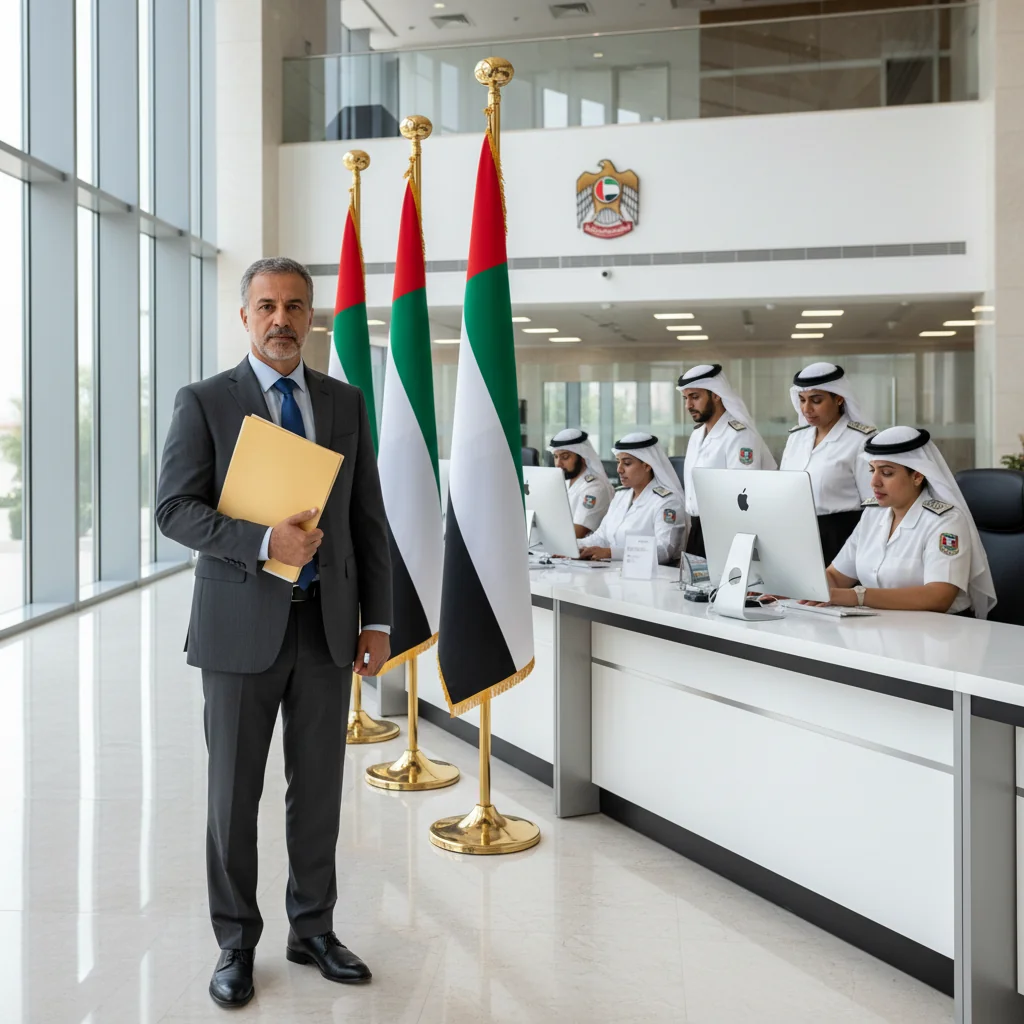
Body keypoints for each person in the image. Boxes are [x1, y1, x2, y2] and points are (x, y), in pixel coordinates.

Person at [155, 257, 392, 1008]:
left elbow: (367, 518)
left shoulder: (345, 402)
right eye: (267, 306)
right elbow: (173, 510)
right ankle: (235, 942)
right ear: (245, 317)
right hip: (236, 631)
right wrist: (264, 541)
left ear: (311, 316)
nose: (281, 320)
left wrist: (378, 619)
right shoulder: (204, 402)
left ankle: (312, 929)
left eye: (294, 306)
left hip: (326, 628)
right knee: (233, 795)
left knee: (318, 790)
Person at [809, 426, 996, 617]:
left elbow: (939, 597)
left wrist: (858, 596)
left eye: (886, 473)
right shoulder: (873, 513)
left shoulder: (946, 521)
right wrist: (806, 589)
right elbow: (836, 576)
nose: (874, 482)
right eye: (872, 470)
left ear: (917, 476)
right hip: (880, 625)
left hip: (940, 629)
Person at [779, 362, 877, 565]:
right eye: (802, 400)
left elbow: (875, 504)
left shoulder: (860, 440)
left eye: (816, 400)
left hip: (841, 540)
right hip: (795, 536)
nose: (806, 409)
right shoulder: (796, 438)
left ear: (839, 398)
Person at [677, 364, 776, 557]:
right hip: (697, 531)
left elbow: (744, 494)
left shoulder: (739, 435)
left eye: (695, 397)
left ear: (716, 394)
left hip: (726, 533)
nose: (688, 405)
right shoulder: (697, 435)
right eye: (685, 398)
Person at [578, 433, 684, 564]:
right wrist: (573, 546)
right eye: (618, 462)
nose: (619, 469)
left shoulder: (668, 502)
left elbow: (664, 551)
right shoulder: (620, 496)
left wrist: (611, 553)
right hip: (613, 571)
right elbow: (601, 537)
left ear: (647, 465)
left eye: (627, 463)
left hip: (649, 575)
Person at [547, 427, 615, 540]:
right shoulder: (566, 480)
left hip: (584, 548)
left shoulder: (595, 487)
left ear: (582, 457)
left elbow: (577, 533)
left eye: (565, 457)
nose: (558, 463)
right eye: (556, 457)